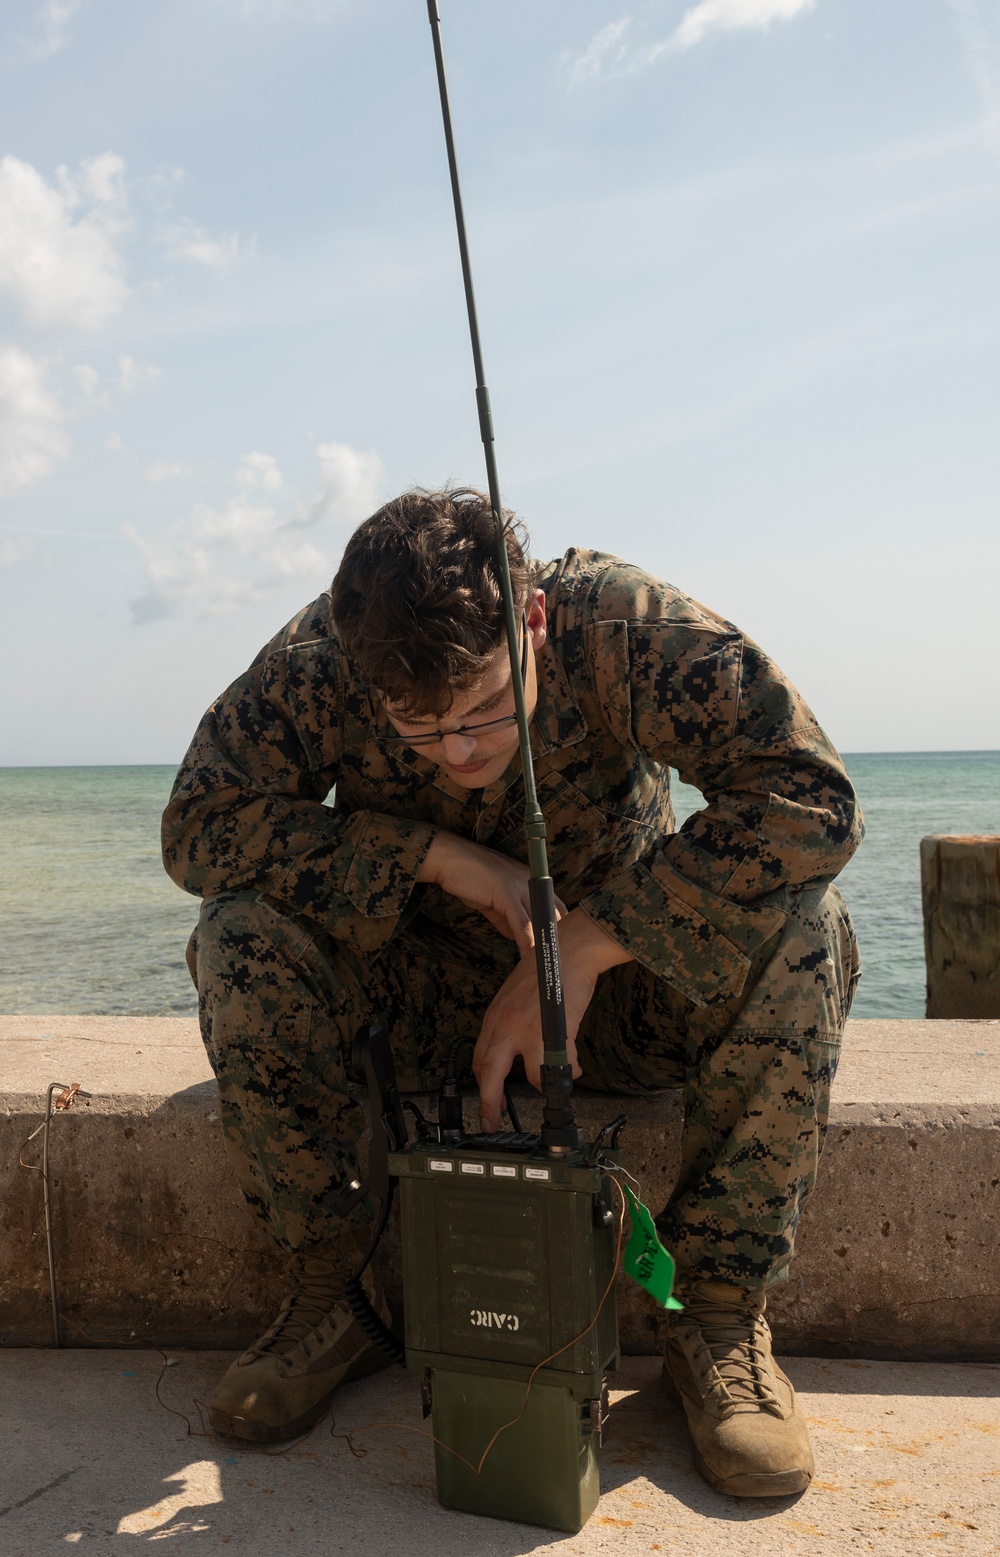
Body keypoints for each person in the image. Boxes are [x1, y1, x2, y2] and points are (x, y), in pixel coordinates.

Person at [163, 487, 862, 1499]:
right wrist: (431, 856)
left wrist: (587, 943)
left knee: (808, 928)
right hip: (410, 1008)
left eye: (484, 706)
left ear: (529, 620)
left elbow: (811, 801)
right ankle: (334, 1292)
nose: (459, 751)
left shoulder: (622, 625)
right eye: (417, 722)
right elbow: (197, 828)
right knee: (237, 934)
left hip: (609, 1009)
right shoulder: (320, 662)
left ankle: (714, 1317)